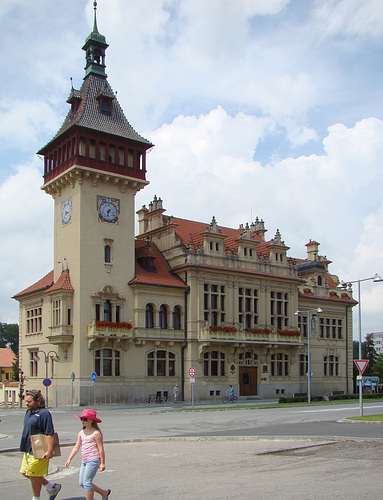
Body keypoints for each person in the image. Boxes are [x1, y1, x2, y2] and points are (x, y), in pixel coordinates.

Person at [19, 389, 62, 500]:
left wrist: (49, 450)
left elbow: (49, 433)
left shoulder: (44, 414)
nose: (27, 404)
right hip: (28, 449)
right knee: (26, 473)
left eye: (29, 402)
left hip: (39, 450)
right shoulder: (29, 412)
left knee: (33, 475)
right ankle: (51, 487)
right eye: (26, 401)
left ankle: (36, 498)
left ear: (37, 400)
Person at [65, 409, 111, 500]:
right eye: (81, 419)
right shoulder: (81, 433)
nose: (83, 421)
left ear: (92, 420)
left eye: (85, 419)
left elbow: (101, 448)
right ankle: (104, 493)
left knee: (87, 482)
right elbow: (76, 447)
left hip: (93, 460)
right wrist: (69, 459)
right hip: (85, 461)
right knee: (82, 483)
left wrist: (102, 463)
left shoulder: (96, 433)